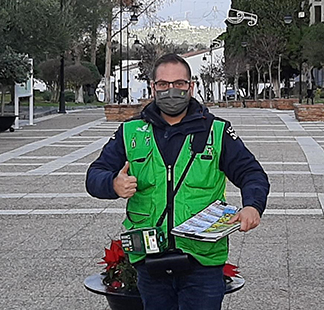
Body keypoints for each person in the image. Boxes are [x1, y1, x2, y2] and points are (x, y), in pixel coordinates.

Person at [86, 53, 270, 310]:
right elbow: (94, 175)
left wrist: (253, 205)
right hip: (150, 260)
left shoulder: (216, 131)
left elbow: (252, 173)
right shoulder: (131, 131)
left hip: (202, 261)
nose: (171, 91)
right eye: (163, 84)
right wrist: (113, 184)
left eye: (179, 84)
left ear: (191, 86)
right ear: (153, 87)